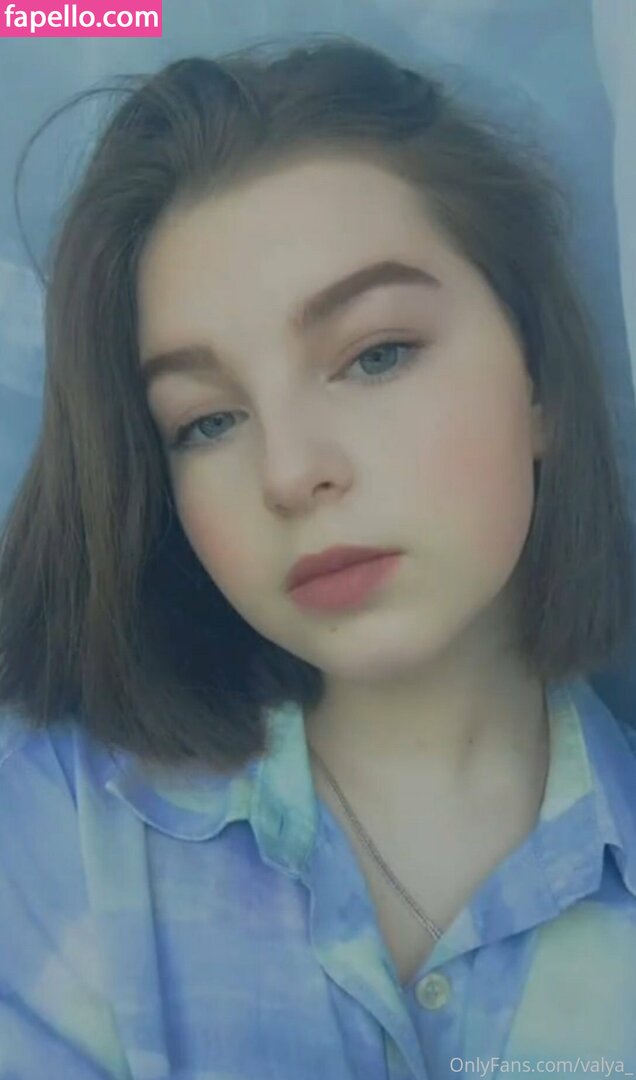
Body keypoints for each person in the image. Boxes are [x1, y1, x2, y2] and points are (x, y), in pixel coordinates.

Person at [0, 33, 635, 1080]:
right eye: (207, 421)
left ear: (542, 386)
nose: (291, 473)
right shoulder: (51, 837)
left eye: (376, 355)